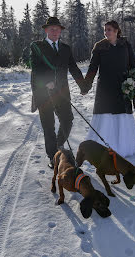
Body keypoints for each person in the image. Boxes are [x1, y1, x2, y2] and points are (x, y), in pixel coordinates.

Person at [29, 17, 86, 168]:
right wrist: (46, 81)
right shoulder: (37, 46)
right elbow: (35, 68)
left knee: (68, 119)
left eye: (57, 29)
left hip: (62, 92)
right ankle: (53, 156)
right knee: (49, 125)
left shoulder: (66, 48)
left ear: (61, 31)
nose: (55, 31)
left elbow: (73, 67)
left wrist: (83, 84)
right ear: (46, 30)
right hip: (43, 93)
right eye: (52, 29)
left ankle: (59, 145)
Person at [83, 20, 135, 157]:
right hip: (105, 88)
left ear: (116, 31)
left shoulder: (125, 45)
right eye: (105, 30)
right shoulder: (99, 47)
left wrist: (134, 83)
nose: (106, 32)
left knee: (121, 116)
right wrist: (86, 85)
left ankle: (123, 146)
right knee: (106, 116)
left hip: (123, 87)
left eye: (109, 30)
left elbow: (133, 65)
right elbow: (92, 68)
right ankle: (103, 148)